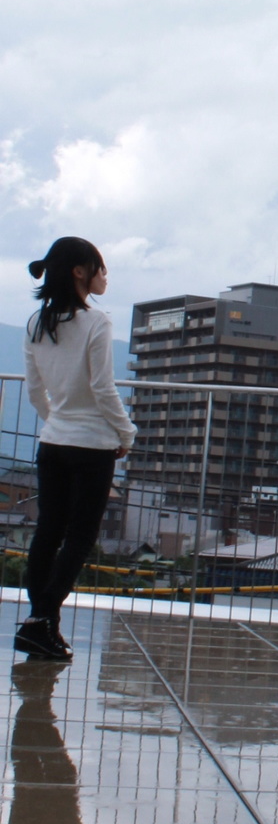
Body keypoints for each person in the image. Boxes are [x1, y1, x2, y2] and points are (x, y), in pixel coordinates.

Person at [18, 237, 135, 661]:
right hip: (92, 447)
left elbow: (35, 391)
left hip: (53, 442)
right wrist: (126, 434)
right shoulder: (97, 322)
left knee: (47, 532)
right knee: (80, 537)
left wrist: (58, 420)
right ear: (80, 272)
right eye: (100, 267)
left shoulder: (36, 322)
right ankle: (40, 622)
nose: (105, 275)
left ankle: (41, 624)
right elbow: (103, 389)